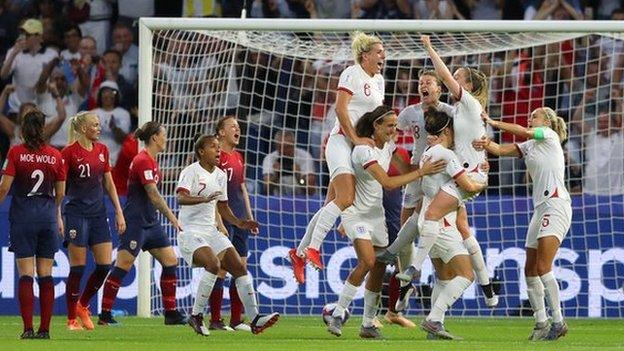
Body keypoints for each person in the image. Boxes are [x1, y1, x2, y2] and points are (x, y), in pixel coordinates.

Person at [386, 36, 496, 306]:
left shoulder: (459, 106)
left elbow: (448, 79)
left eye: (457, 78)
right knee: (428, 222)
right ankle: (486, 288)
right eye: (420, 82)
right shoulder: (455, 110)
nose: (451, 81)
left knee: (431, 217)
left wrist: (429, 47)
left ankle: (407, 268)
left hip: (452, 172)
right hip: (435, 171)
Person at [325, 105, 445, 339]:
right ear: (376, 126)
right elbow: (390, 183)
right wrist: (422, 173)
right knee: (368, 260)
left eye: (395, 125)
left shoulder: (389, 147)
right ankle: (338, 313)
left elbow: (408, 169)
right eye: (389, 126)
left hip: (376, 215)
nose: (394, 130)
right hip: (355, 212)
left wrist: (436, 160)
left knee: (379, 266)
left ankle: (368, 324)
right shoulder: (362, 150)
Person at [290, 32, 386, 278]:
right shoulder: (351, 73)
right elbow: (340, 109)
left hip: (358, 147)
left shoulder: (380, 81)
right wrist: (354, 138)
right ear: (365, 56)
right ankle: (313, 249)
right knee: (345, 197)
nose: (383, 56)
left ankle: (298, 254)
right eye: (378, 52)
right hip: (340, 142)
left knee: (329, 205)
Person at [474, 107, 572, 340]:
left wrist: (495, 123)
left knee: (543, 267)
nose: (531, 119)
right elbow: (498, 149)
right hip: (540, 209)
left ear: (546, 121)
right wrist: (482, 142)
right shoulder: (529, 146)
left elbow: (522, 131)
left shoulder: (549, 136)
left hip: (556, 204)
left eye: (535, 116)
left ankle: (558, 320)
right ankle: (541, 322)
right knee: (529, 269)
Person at [177, 134, 280, 336]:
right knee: (214, 265)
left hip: (211, 231)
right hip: (190, 231)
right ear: (201, 152)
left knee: (240, 269)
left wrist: (240, 222)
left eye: (218, 147)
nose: (218, 150)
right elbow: (180, 197)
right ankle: (196, 315)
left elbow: (223, 208)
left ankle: (255, 318)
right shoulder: (191, 171)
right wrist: (203, 198)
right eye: (213, 147)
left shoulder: (220, 176)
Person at [98, 121, 187, 325]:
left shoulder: (152, 161)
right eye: (164, 134)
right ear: (155, 137)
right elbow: (154, 195)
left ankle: (171, 313)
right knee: (123, 266)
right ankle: (104, 314)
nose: (166, 138)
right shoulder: (142, 160)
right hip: (136, 222)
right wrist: (173, 219)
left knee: (170, 261)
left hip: (151, 223)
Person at [416, 107, 488, 340]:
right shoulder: (447, 155)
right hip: (442, 224)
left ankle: (434, 328)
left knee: (444, 277)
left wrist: (478, 166)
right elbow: (466, 185)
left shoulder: (427, 153)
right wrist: (481, 180)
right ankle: (434, 319)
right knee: (466, 275)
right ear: (447, 130)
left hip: (426, 221)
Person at [0, 110, 66, 339]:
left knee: (26, 274)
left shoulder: (16, 153)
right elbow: (61, 192)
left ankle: (28, 329)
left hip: (23, 218)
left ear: (23, 128)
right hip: (47, 218)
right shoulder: (55, 155)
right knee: (46, 274)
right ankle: (45, 330)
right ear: (43, 128)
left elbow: (4, 188)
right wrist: (55, 214)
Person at [61, 111, 126, 331]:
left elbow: (109, 183)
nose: (99, 128)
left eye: (99, 125)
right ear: (83, 129)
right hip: (77, 214)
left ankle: (82, 305)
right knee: (77, 268)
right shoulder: (69, 153)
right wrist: (57, 214)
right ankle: (71, 319)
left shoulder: (103, 151)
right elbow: (60, 187)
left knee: (104, 265)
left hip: (99, 214)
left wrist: (118, 210)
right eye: (95, 125)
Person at [208, 116, 258, 332]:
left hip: (239, 220)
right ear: (220, 132)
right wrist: (219, 222)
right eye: (232, 127)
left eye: (239, 127)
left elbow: (242, 189)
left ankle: (236, 320)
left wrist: (249, 217)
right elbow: (211, 194)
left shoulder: (238, 157)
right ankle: (215, 320)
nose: (238, 130)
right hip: (222, 220)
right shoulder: (216, 159)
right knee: (220, 269)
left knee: (241, 269)